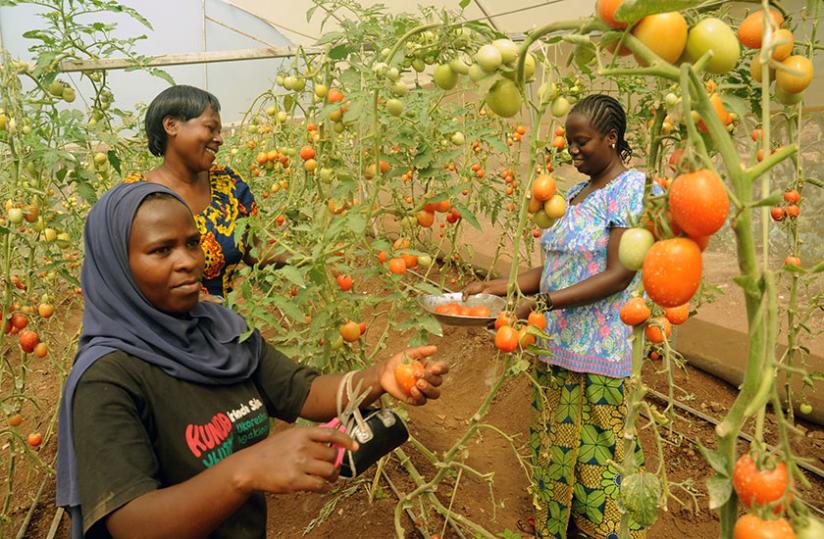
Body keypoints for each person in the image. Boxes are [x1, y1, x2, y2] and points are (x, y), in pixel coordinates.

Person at [56, 181, 448, 539]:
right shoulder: (106, 381)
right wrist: (245, 470)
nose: (189, 261)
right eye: (161, 250)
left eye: (192, 243)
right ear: (116, 268)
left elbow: (303, 391)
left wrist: (379, 377)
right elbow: (131, 523)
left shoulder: (221, 329)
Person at [464, 94, 650, 539]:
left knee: (598, 460)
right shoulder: (571, 195)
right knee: (555, 452)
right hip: (555, 346)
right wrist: (499, 287)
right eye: (569, 142)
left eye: (582, 141)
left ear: (612, 137)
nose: (573, 150)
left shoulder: (631, 189)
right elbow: (556, 267)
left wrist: (542, 304)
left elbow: (619, 274)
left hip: (600, 353)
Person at [126, 84, 283, 301]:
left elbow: (255, 251)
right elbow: (116, 274)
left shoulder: (229, 185)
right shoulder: (134, 197)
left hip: (219, 327)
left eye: (219, 131)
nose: (219, 139)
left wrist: (306, 258)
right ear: (171, 125)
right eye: (211, 128)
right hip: (155, 330)